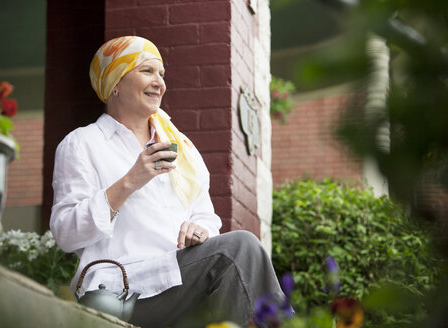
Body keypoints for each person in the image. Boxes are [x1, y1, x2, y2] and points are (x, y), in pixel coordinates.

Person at [50, 36, 286, 328]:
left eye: (161, 74)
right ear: (116, 83)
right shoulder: (82, 144)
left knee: (238, 254)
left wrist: (200, 232)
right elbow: (65, 232)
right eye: (147, 71)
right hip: (123, 289)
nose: (159, 83)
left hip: (179, 278)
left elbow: (205, 217)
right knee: (241, 248)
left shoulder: (180, 148)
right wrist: (129, 182)